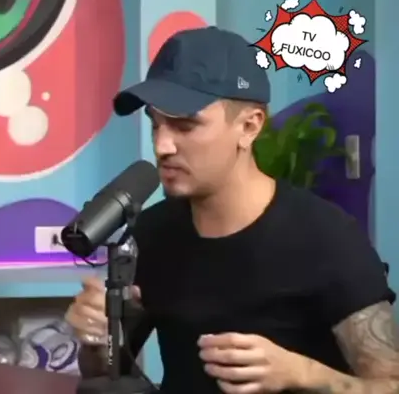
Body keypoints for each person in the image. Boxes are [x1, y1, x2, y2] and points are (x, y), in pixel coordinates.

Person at [65, 27, 398, 394]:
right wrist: (97, 336)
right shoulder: (151, 233)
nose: (162, 146)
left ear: (249, 126)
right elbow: (106, 370)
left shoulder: (328, 238)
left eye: (185, 125)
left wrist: (302, 373)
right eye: (156, 125)